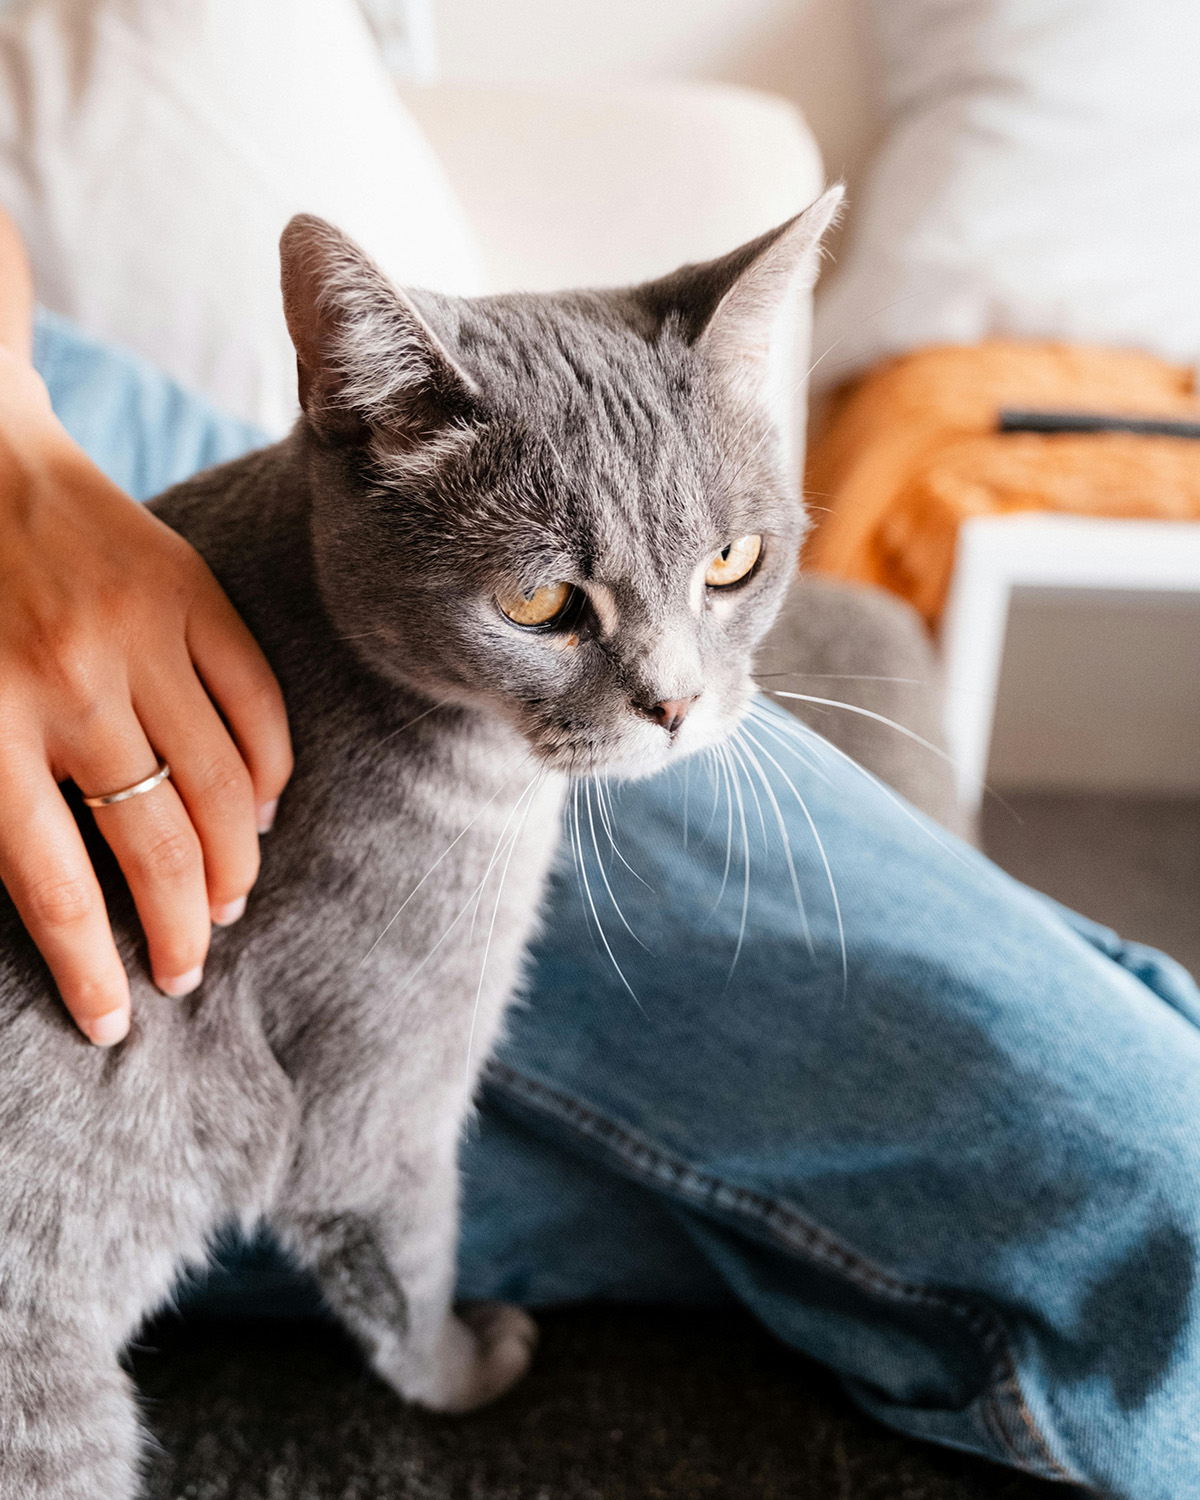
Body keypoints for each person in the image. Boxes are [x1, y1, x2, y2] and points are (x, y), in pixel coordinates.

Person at [2, 208, 1199, 1500]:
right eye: (549, 605)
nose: (677, 694)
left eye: (731, 563)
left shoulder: (582, 628)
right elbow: (359, 1167)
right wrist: (433, 1352)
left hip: (50, 410)